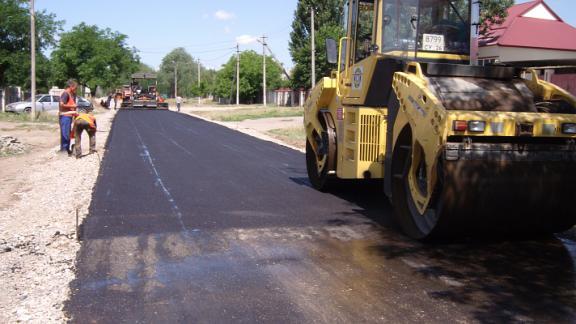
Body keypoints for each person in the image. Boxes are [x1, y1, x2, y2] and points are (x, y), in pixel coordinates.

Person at [59, 80, 78, 154]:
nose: (76, 89)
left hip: (68, 116)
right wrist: (72, 106)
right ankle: (64, 150)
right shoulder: (65, 94)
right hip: (65, 116)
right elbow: (61, 104)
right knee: (65, 133)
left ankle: (66, 149)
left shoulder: (71, 94)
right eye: (75, 88)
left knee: (67, 133)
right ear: (71, 86)